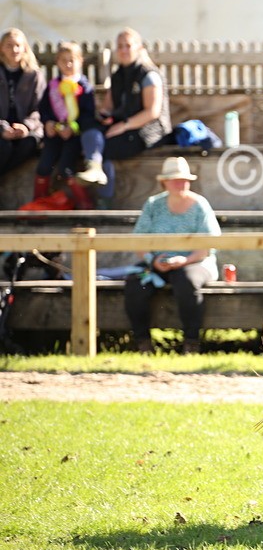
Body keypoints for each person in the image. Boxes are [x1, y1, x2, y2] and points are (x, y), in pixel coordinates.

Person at [124, 157, 220, 354]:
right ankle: (143, 343)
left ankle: (191, 342)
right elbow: (138, 240)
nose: (181, 183)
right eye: (175, 179)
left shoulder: (200, 205)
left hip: (196, 262)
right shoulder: (153, 205)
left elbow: (209, 245)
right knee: (135, 281)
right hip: (157, 265)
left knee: (186, 280)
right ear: (164, 182)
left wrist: (185, 260)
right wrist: (153, 261)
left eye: (185, 179)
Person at [94, 28, 173, 207]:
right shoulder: (118, 75)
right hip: (126, 126)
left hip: (150, 131)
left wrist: (123, 126)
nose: (123, 50)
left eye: (128, 46)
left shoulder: (148, 74)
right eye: (120, 46)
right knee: (91, 137)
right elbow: (109, 106)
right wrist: (103, 116)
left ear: (139, 47)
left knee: (105, 148)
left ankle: (105, 200)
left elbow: (152, 112)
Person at [27, 42, 100, 209]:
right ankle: (39, 203)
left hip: (74, 137)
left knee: (65, 167)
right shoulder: (52, 86)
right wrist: (48, 123)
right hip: (54, 136)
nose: (68, 64)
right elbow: (43, 109)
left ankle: (85, 204)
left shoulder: (85, 87)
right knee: (44, 166)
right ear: (57, 62)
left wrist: (73, 128)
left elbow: (88, 114)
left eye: (72, 60)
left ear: (80, 61)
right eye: (63, 60)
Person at [0, 28, 47, 184]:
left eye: (18, 45)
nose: (14, 50)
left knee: (30, 144)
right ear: (2, 48)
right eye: (9, 45)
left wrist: (26, 126)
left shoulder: (34, 75)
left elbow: (40, 108)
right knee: (4, 147)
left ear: (24, 48)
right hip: (3, 129)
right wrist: (2, 128)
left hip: (27, 130)